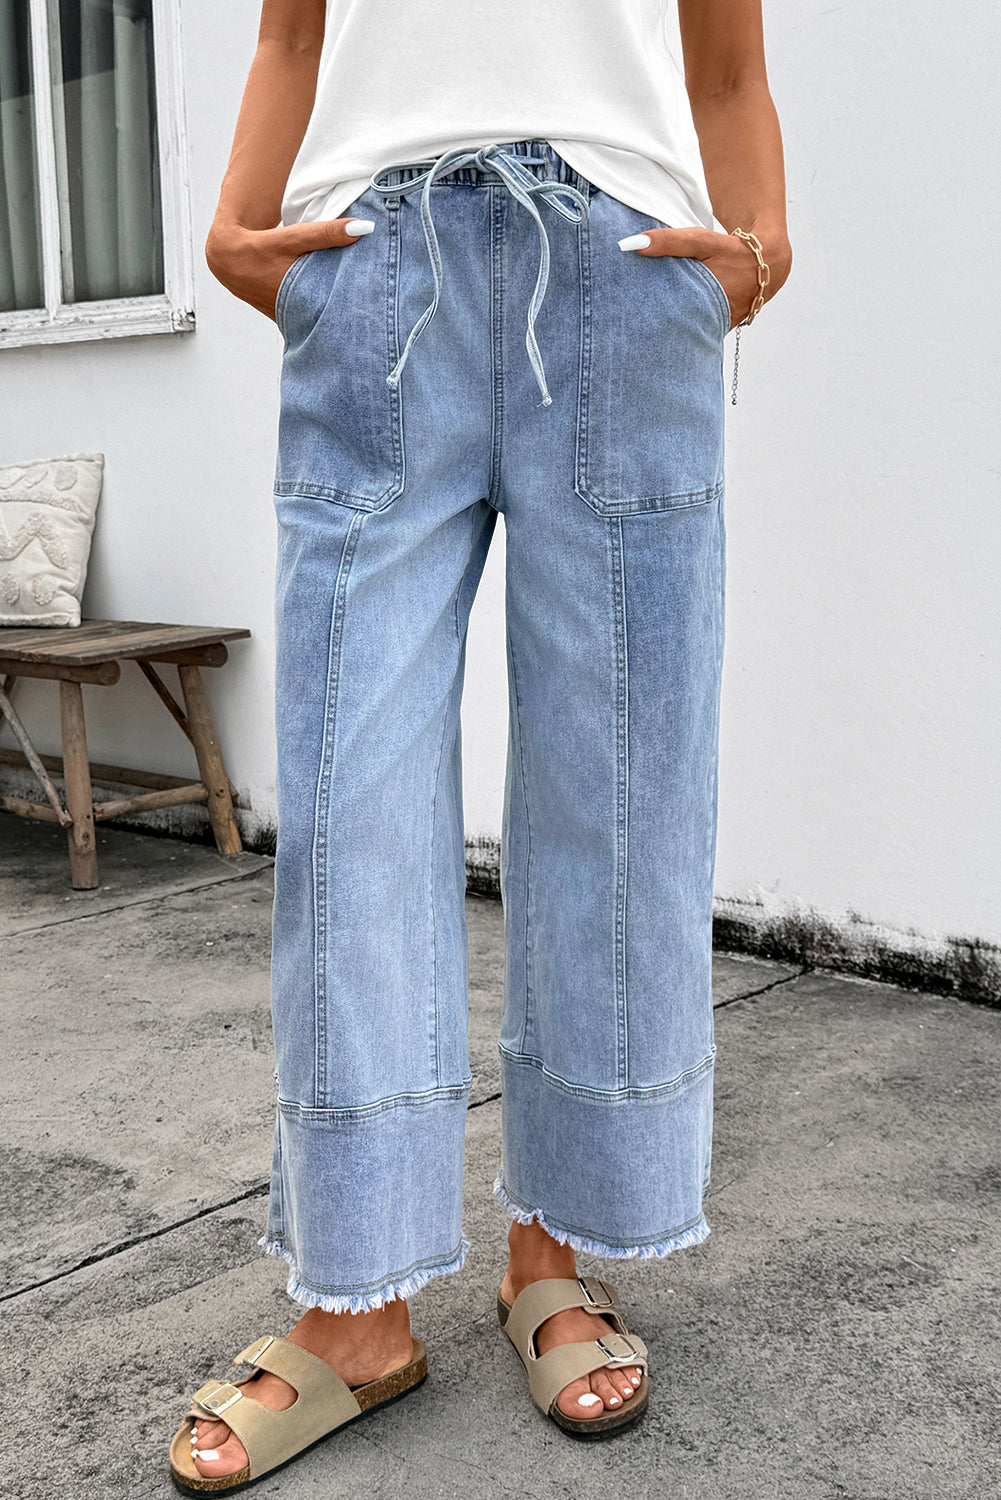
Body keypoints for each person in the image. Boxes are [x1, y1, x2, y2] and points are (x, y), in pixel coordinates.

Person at [168, 0, 791, 1489]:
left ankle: (551, 1253)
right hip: (375, 266)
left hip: (627, 273)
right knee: (349, 796)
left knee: (618, 793)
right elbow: (293, 33)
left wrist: (762, 243)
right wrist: (237, 232)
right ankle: (355, 1302)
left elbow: (724, 57)